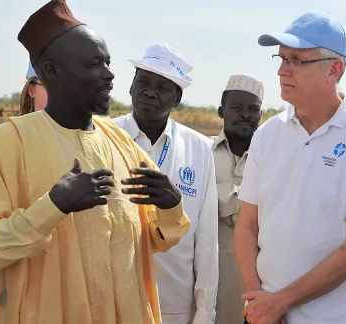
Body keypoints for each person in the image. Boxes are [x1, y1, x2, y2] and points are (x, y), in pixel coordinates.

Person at [0, 1, 190, 323]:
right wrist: (52, 207)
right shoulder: (1, 147)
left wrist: (172, 206)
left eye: (108, 63)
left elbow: (151, 242)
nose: (110, 75)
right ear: (50, 72)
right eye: (94, 64)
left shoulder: (123, 146)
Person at [234, 11, 346, 324]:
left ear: (334, 69)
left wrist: (280, 302)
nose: (282, 70)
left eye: (296, 60)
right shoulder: (268, 134)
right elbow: (247, 226)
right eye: (281, 59)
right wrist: (259, 303)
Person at [114, 44, 218, 324]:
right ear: (131, 87)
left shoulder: (198, 147)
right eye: (143, 82)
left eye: (163, 87)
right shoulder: (104, 136)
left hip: (174, 307)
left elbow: (206, 240)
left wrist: (204, 312)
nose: (150, 92)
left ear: (177, 98)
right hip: (112, 303)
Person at [211, 74, 263, 324]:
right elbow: (195, 199)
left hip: (257, 274)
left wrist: (220, 194)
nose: (245, 115)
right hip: (211, 269)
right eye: (237, 108)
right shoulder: (202, 151)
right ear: (222, 111)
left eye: (253, 109)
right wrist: (249, 202)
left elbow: (273, 207)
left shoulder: (271, 157)